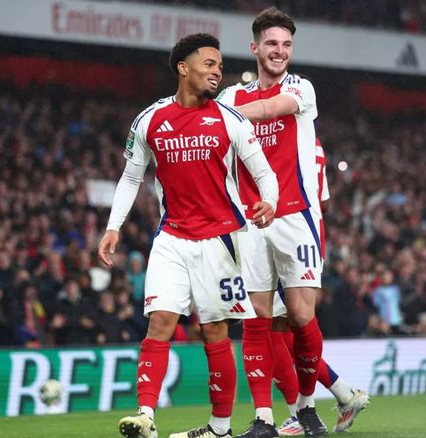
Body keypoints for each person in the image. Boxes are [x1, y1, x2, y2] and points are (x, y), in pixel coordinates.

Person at [99, 33, 278, 438]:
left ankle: (220, 429)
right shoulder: (150, 120)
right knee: (160, 321)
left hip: (222, 241)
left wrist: (268, 200)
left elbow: (265, 173)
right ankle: (146, 415)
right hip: (172, 238)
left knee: (214, 331)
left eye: (219, 66)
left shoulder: (231, 120)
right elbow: (131, 177)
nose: (217, 72)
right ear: (183, 68)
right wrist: (113, 227)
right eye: (209, 64)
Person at [217, 8, 327, 437]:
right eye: (272, 44)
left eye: (286, 45)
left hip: (295, 214)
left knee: (300, 314)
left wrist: (228, 115)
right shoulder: (231, 95)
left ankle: (306, 405)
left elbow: (269, 109)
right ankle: (264, 417)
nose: (280, 51)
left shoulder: (301, 87)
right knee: (256, 318)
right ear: (255, 48)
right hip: (250, 220)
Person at [273, 139, 369, 436]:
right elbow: (324, 203)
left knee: (271, 328)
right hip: (311, 239)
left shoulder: (273, 135)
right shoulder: (313, 143)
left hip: (284, 236)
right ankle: (343, 393)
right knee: (286, 329)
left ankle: (298, 413)